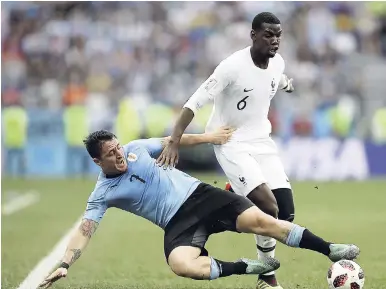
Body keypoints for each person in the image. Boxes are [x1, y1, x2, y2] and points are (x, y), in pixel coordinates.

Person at [39, 129, 359, 288]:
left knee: (263, 223)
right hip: (177, 223)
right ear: (98, 161)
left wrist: (211, 137)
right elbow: (85, 230)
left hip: (202, 196)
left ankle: (330, 249)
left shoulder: (137, 149)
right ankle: (247, 268)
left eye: (118, 146)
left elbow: (174, 140)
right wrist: (66, 263)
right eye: (111, 153)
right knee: (182, 265)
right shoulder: (103, 192)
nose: (119, 154)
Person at [156, 11, 300, 289]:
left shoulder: (277, 63)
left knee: (285, 213)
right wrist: (174, 140)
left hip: (261, 142)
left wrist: (287, 84)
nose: (274, 41)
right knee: (267, 207)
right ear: (253, 35)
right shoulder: (231, 67)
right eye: (268, 35)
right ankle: (267, 277)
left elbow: (277, 78)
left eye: (278, 35)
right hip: (230, 141)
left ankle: (235, 191)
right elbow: (193, 102)